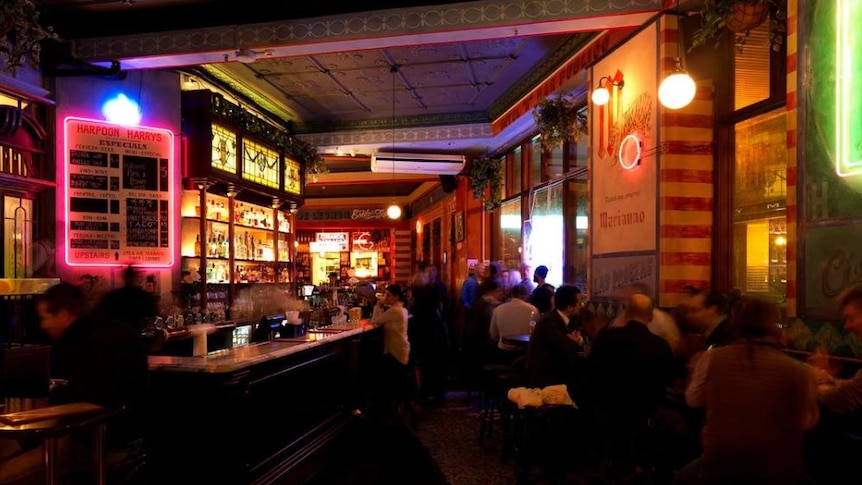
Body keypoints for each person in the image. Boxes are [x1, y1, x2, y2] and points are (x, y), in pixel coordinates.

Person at [0, 282, 151, 484]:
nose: (43, 325)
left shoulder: (81, 342)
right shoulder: (113, 330)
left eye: (45, 317)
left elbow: (94, 400)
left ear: (63, 314)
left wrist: (39, 410)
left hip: (99, 445)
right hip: (134, 441)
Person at [676, 296, 819, 485]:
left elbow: (693, 400)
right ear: (775, 326)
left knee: (680, 476)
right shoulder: (799, 370)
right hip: (776, 471)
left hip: (719, 465)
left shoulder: (711, 359)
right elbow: (804, 422)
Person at [588, 293, 676, 480]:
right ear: (650, 317)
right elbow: (669, 380)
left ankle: (615, 465)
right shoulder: (660, 345)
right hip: (645, 414)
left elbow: (592, 371)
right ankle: (649, 468)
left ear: (626, 314)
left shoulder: (606, 338)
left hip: (607, 411)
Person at [525, 284, 585, 395]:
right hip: (545, 376)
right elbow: (566, 347)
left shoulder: (572, 319)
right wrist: (576, 342)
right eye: (579, 303)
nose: (582, 305)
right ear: (569, 307)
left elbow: (579, 339)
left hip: (559, 369)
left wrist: (577, 341)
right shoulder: (549, 321)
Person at [368, 284, 411, 420]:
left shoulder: (395, 311)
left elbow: (375, 321)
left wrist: (377, 306)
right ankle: (398, 410)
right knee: (397, 381)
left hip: (395, 351)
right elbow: (382, 320)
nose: (385, 298)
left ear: (396, 297)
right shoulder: (401, 309)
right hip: (401, 349)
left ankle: (393, 412)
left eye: (388, 295)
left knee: (393, 382)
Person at [93, 265, 158, 333]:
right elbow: (154, 314)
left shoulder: (114, 296)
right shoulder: (143, 296)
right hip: (137, 335)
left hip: (117, 335)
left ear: (124, 277)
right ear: (135, 278)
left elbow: (99, 313)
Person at [488, 283, 538, 360]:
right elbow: (537, 333)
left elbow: (493, 333)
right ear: (525, 295)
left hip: (504, 350)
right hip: (526, 352)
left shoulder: (498, 309)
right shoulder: (533, 309)